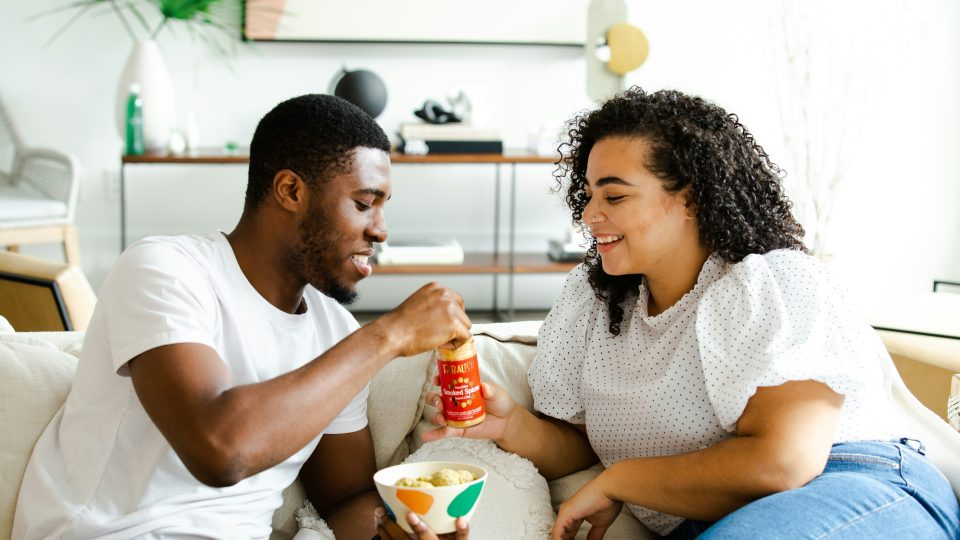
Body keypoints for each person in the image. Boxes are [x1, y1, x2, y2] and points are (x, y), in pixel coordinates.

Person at [424, 87, 960, 539]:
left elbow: (784, 462)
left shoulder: (769, 281)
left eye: (614, 196)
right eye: (587, 194)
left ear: (692, 199)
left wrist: (622, 481)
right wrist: (511, 425)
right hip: (712, 523)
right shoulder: (594, 302)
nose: (589, 214)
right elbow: (581, 443)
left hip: (852, 484)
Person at [13, 94, 472, 540]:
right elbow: (220, 450)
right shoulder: (165, 270)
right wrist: (390, 334)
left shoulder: (335, 333)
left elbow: (346, 499)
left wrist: (399, 526)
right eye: (363, 203)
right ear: (291, 190)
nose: (381, 229)